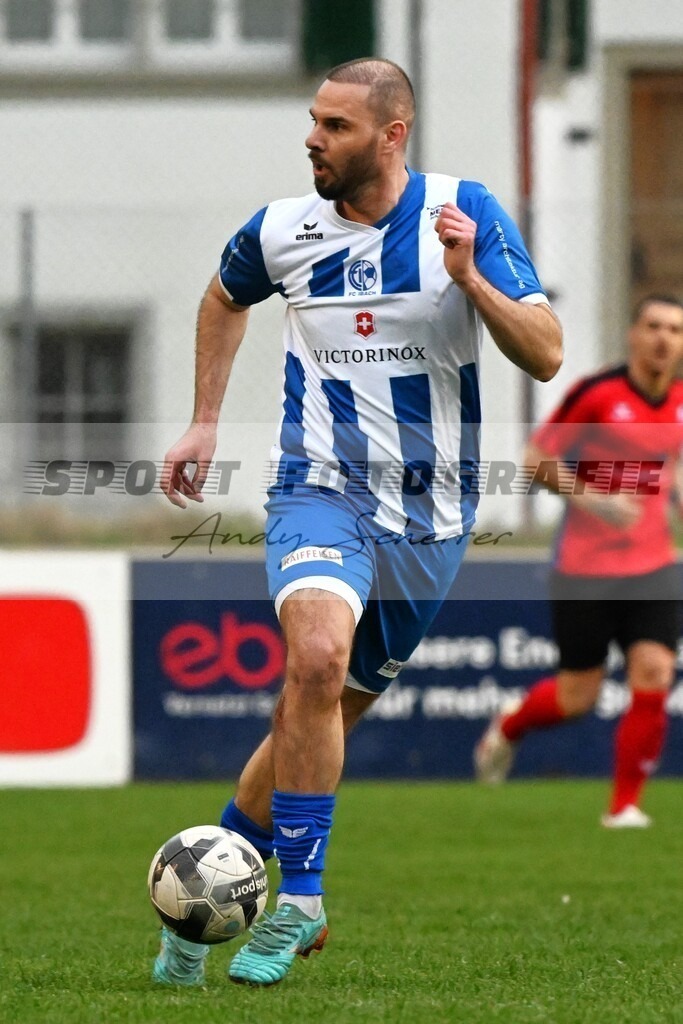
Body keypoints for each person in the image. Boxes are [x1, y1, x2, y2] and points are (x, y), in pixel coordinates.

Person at [156, 56, 562, 988]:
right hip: (317, 488)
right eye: (312, 119)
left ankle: (194, 900)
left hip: (432, 517)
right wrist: (206, 417)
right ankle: (300, 896)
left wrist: (470, 280)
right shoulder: (280, 229)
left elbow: (543, 354)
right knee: (313, 661)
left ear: (391, 136)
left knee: (314, 712)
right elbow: (224, 297)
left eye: (335, 126)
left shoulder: (465, 214)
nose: (312, 138)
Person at [475, 294, 683, 828]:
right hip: (585, 568)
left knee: (655, 669)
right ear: (633, 335)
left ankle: (624, 807)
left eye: (676, 330)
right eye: (654, 326)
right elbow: (534, 460)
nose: (664, 339)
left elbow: (673, 467)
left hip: (653, 565)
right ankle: (510, 726)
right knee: (578, 696)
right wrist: (596, 500)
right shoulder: (597, 394)